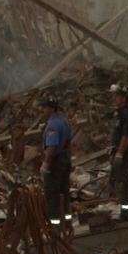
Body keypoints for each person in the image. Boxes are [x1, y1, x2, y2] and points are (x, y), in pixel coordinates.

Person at [39, 96, 73, 228]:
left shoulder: (52, 125)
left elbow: (52, 146)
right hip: (65, 159)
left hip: (55, 162)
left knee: (52, 194)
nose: (42, 110)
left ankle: (55, 225)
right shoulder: (64, 121)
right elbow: (69, 143)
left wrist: (45, 164)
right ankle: (67, 222)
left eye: (45, 107)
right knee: (64, 193)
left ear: (52, 109)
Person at [109, 83, 128, 222]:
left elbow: (126, 136)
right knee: (117, 182)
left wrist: (120, 154)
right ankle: (127, 209)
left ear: (124, 98)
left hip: (125, 154)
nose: (114, 98)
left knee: (123, 184)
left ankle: (127, 214)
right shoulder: (120, 114)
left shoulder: (127, 115)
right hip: (119, 152)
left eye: (117, 96)